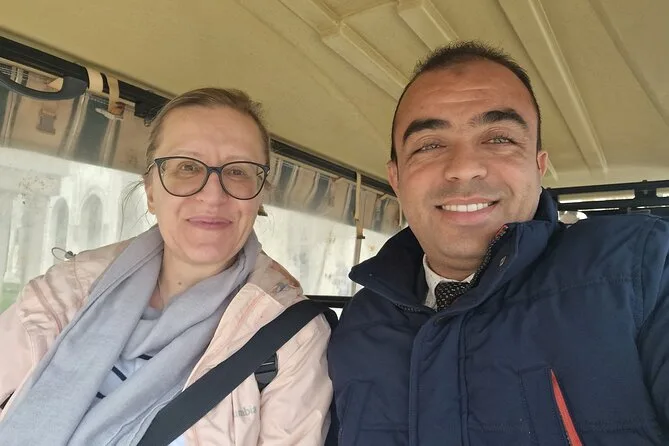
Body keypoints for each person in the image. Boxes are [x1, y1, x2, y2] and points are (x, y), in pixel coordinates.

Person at [328, 41, 669, 445]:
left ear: (538, 167)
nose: (463, 168)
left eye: (499, 139)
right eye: (429, 145)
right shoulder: (357, 325)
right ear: (396, 178)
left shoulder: (644, 269)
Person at [0, 88, 332, 445]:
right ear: (151, 192)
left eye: (238, 171)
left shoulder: (291, 339)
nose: (213, 195)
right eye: (187, 167)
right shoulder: (67, 290)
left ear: (260, 195)